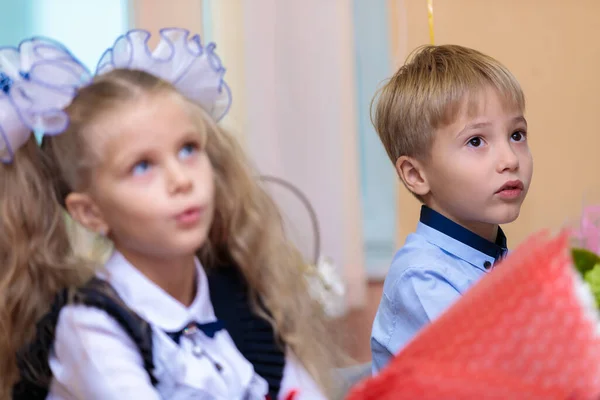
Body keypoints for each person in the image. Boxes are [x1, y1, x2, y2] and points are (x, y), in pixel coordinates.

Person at [0, 29, 338, 399]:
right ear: (90, 213)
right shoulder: (90, 327)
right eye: (142, 167)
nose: (181, 179)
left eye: (188, 149)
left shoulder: (240, 301)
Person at [370, 44, 534, 372]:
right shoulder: (421, 279)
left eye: (516, 134)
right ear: (416, 175)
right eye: (476, 141)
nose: (510, 160)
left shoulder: (510, 267)